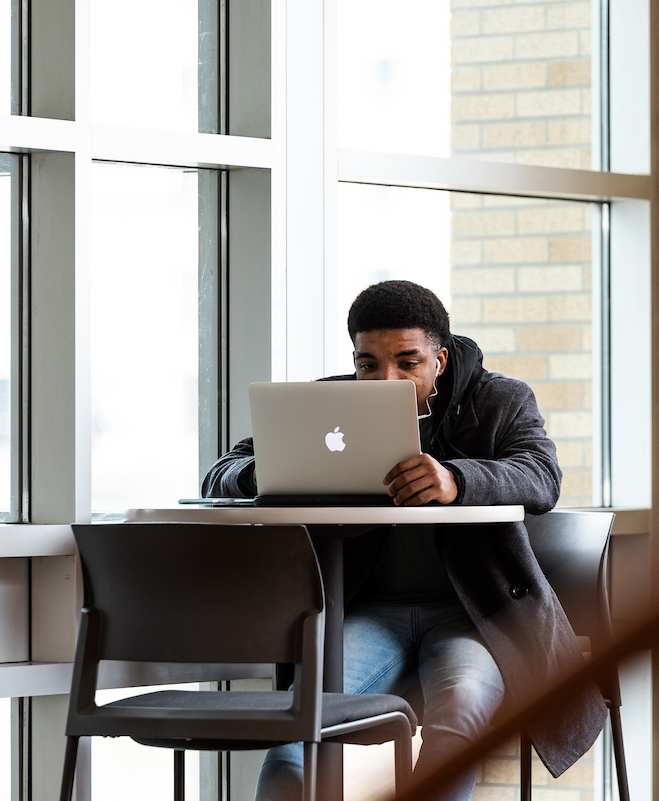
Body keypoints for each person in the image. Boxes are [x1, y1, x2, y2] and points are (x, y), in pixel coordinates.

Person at [202, 280, 605, 801]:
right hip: (368, 612)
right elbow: (221, 472)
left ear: (439, 359)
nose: (383, 380)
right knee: (298, 725)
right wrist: (270, 471)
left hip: (475, 613)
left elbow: (541, 475)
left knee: (459, 714)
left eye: (406, 363)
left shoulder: (499, 399)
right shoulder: (326, 405)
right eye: (367, 364)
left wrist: (458, 481)